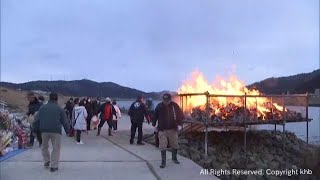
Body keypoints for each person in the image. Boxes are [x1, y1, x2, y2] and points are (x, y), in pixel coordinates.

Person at [32, 93, 70, 172]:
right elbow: (64, 121)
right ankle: (54, 166)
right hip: (56, 131)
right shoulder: (59, 108)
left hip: (44, 131)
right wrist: (67, 130)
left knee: (44, 146)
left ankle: (46, 161)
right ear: (56, 99)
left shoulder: (42, 108)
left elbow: (36, 120)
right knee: (56, 148)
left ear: (49, 98)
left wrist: (34, 129)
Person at [152, 93, 185, 168]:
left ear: (170, 100)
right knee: (162, 146)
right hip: (162, 129)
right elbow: (155, 115)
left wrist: (180, 124)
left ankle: (174, 158)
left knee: (175, 144)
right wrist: (154, 124)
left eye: (167, 100)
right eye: (164, 100)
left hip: (173, 129)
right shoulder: (159, 106)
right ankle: (163, 162)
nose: (165, 102)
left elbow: (180, 115)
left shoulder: (175, 106)